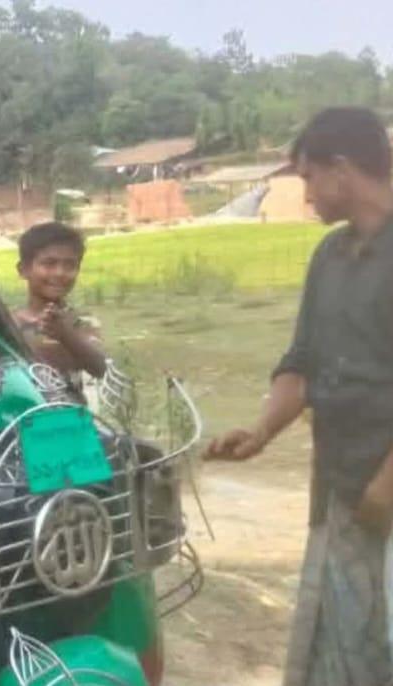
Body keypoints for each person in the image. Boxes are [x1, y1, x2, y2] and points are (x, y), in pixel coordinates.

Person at [206, 107, 393, 686]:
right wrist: (262, 431)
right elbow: (303, 365)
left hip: (383, 489)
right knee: (344, 647)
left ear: (341, 170)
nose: (307, 195)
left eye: (308, 178)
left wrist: (388, 483)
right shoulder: (330, 257)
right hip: (344, 487)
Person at [11, 222, 106, 393]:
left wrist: (66, 335)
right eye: (49, 264)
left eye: (70, 265)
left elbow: (99, 368)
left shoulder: (82, 322)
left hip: (68, 416)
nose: (60, 273)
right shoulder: (7, 323)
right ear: (23, 269)